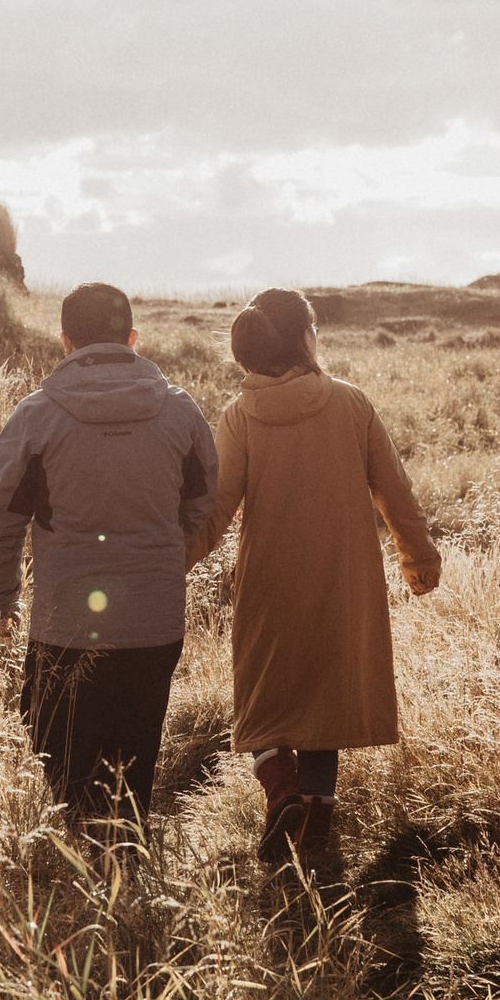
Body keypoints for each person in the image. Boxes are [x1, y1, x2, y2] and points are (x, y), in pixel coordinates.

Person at [185, 287, 440, 863]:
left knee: (262, 703)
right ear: (306, 338)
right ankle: (317, 824)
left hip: (269, 587)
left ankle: (281, 795)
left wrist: (165, 564)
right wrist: (418, 558)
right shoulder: (352, 404)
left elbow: (215, 511)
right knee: (326, 707)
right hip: (342, 583)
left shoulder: (239, 416)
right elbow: (394, 492)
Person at [0, 282, 220, 837]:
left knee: (58, 749)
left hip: (65, 624)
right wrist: (161, 548)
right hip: (155, 622)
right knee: (134, 758)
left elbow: (0, 517)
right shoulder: (181, 412)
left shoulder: (36, 417)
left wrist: (1, 598)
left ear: (64, 342)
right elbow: (203, 500)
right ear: (133, 339)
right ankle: (124, 868)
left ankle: (81, 867)